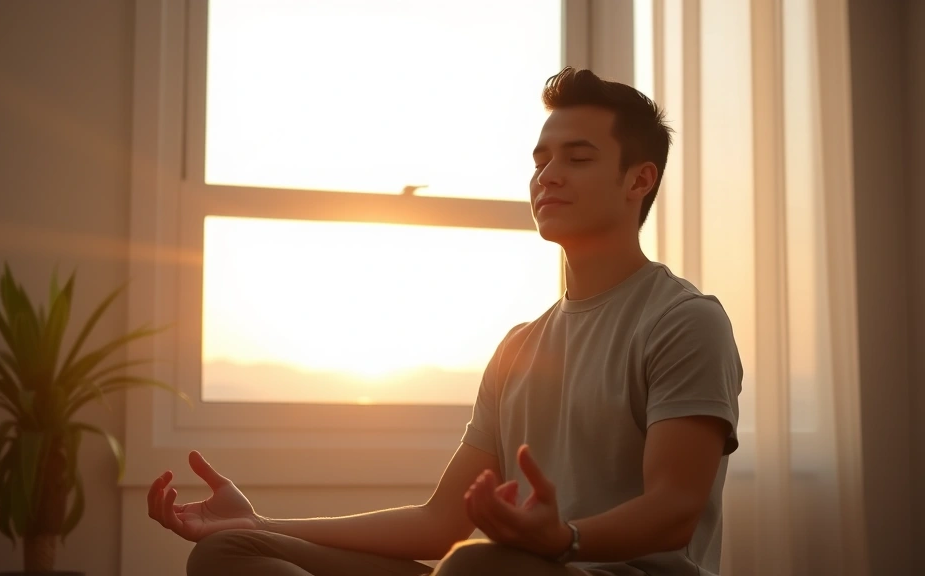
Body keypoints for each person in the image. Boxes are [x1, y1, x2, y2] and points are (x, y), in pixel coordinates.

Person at [147, 67, 743, 576]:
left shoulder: (683, 321)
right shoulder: (519, 347)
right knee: (230, 550)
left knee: (474, 565)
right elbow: (442, 521)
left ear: (639, 179)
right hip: (500, 570)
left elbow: (674, 510)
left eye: (577, 158)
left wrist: (563, 539)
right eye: (540, 160)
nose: (547, 175)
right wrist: (261, 520)